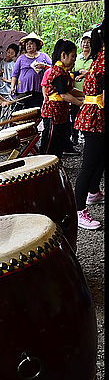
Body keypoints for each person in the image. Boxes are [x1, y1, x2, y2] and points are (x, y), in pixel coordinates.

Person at [74, 23, 105, 230]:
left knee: (100, 158)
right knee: (89, 165)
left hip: (96, 115)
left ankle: (93, 193)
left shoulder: (99, 58)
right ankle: (77, 210)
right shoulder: (103, 59)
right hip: (94, 117)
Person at [40, 39, 84, 159]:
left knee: (60, 139)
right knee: (50, 141)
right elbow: (64, 94)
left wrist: (85, 95)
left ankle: (56, 165)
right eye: (73, 56)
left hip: (61, 112)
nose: (74, 59)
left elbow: (70, 91)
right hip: (53, 113)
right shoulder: (57, 72)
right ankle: (44, 166)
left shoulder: (64, 72)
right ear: (63, 55)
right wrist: (80, 103)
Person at [11, 32, 52, 109]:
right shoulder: (21, 58)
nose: (29, 46)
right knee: (22, 112)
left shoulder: (44, 56)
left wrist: (44, 66)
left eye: (31, 43)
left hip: (39, 90)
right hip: (23, 90)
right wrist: (12, 87)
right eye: (27, 44)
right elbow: (15, 74)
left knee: (37, 111)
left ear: (36, 45)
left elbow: (53, 68)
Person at [71, 31, 92, 145]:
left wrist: (85, 74)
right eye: (84, 42)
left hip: (90, 93)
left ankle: (86, 137)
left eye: (88, 42)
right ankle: (74, 137)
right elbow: (72, 72)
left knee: (88, 115)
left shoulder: (95, 58)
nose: (86, 44)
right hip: (76, 92)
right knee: (74, 114)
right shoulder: (77, 58)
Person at [0, 43, 19, 122]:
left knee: (6, 110)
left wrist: (6, 80)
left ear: (14, 55)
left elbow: (15, 80)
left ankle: (5, 125)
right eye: (8, 52)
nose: (9, 54)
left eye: (12, 53)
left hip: (7, 91)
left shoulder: (14, 65)